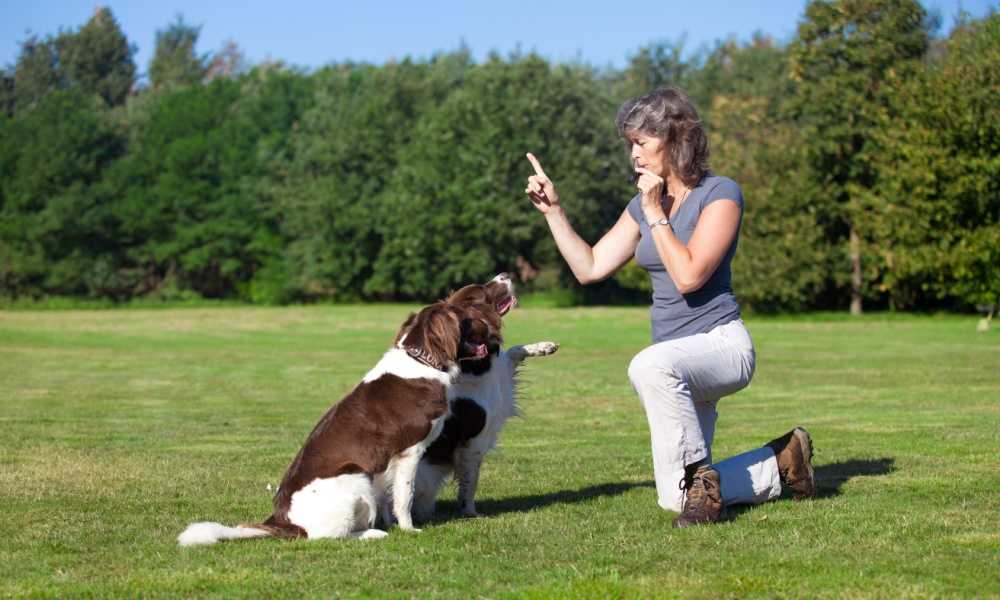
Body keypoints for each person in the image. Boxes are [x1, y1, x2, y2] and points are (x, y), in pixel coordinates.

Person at [524, 87, 815, 527]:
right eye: (629, 145)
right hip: (675, 363)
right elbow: (591, 267)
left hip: (721, 345)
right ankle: (782, 463)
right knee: (674, 500)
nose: (633, 155)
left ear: (675, 137)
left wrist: (655, 213)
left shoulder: (720, 194)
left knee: (648, 366)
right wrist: (553, 212)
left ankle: (702, 480)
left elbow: (690, 275)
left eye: (641, 142)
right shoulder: (640, 208)